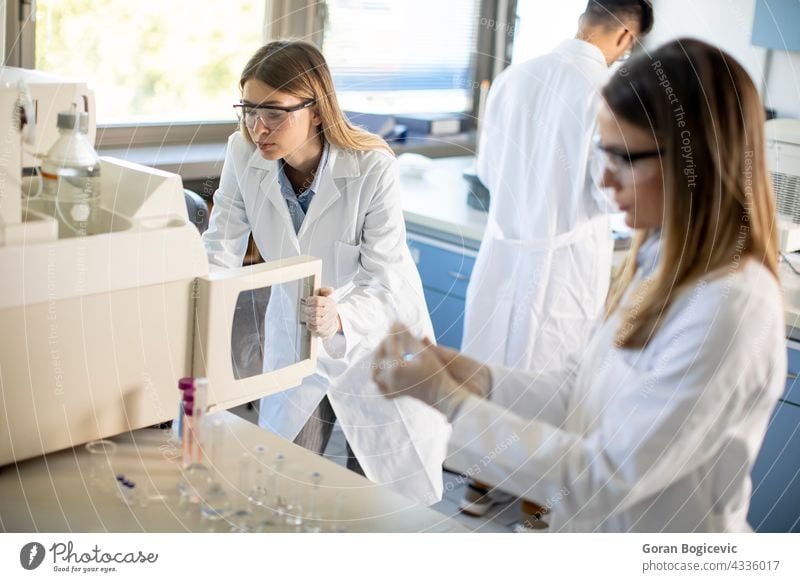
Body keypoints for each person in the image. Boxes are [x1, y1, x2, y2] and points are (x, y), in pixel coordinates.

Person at [373, 38, 786, 532]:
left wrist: (449, 400)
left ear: (696, 160)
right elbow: (577, 392)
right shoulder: (656, 262)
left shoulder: (728, 306)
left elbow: (609, 478)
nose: (606, 182)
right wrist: (471, 375)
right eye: (601, 153)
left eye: (625, 159)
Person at [202, 40, 450, 504]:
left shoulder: (371, 166)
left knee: (383, 492)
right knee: (285, 480)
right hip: (295, 331)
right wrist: (197, 307)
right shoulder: (243, 152)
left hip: (376, 335)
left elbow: (385, 277)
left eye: (274, 112)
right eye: (248, 110)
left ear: (316, 110)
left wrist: (339, 317)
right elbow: (221, 242)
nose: (258, 127)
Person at [460, 0, 654, 525]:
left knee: (496, 361)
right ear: (626, 37)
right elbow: (608, 190)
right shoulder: (609, 94)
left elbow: (488, 170)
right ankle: (535, 501)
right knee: (553, 372)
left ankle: (480, 483)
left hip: (505, 248)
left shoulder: (514, 76)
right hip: (567, 257)